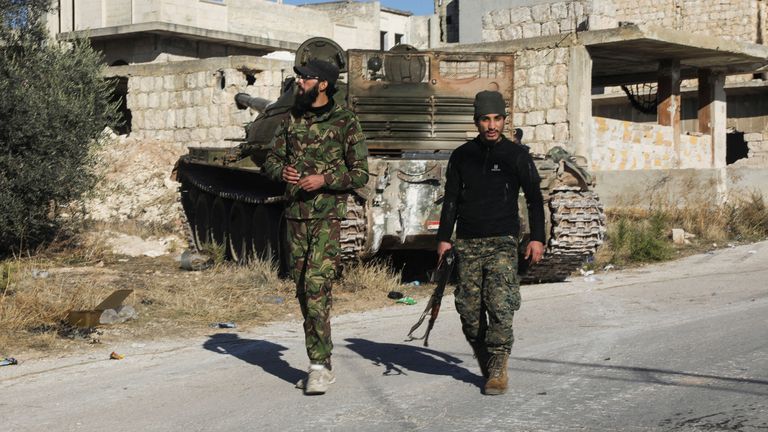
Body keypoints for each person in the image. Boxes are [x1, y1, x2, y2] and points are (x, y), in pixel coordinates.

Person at [263, 59, 369, 395]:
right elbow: (270, 158)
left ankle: (319, 365)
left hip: (326, 218)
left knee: (316, 286)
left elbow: (361, 173)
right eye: (298, 78)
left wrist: (325, 179)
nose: (299, 83)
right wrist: (281, 171)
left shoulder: (345, 121)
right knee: (302, 290)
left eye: (305, 79)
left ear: (323, 84)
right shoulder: (292, 118)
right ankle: (321, 357)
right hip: (295, 217)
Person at [435, 90, 545, 396]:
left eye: (497, 119)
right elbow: (452, 200)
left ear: (505, 120)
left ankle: (498, 365)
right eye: (485, 119)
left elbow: (535, 200)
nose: (491, 125)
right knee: (469, 312)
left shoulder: (517, 156)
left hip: (502, 241)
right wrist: (444, 239)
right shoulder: (462, 156)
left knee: (499, 303)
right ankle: (488, 359)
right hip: (467, 242)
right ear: (477, 121)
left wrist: (537, 237)